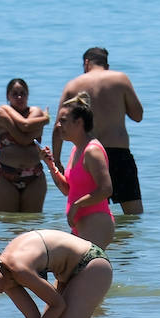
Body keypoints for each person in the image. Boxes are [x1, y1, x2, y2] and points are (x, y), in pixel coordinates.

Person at [52, 47, 144, 214]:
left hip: (88, 154)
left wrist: (57, 160)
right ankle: (128, 241)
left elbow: (59, 126)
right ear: (106, 65)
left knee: (93, 211)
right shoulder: (120, 79)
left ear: (86, 63)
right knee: (133, 216)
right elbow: (138, 115)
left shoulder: (73, 86)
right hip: (119, 155)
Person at [43, 93, 115, 249]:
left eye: (63, 121)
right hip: (80, 225)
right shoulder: (76, 149)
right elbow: (68, 190)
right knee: (66, 271)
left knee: (82, 272)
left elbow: (106, 189)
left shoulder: (92, 151)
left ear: (79, 122)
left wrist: (77, 205)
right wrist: (51, 165)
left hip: (97, 223)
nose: (58, 126)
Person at [0, 78, 49, 212]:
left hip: (34, 176)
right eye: (14, 94)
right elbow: (24, 136)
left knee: (32, 224)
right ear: (7, 96)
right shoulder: (2, 111)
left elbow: (25, 134)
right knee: (8, 224)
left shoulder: (36, 113)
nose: (19, 97)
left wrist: (7, 122)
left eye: (23, 93)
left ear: (28, 95)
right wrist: (44, 120)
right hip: (4, 175)